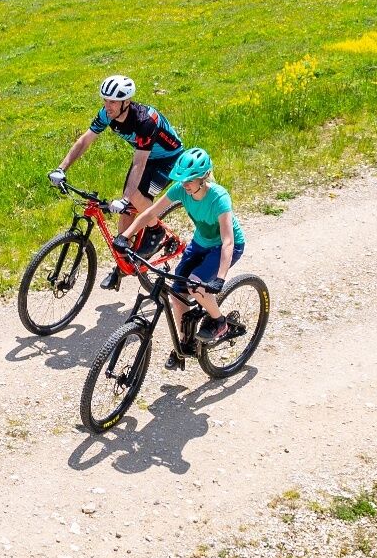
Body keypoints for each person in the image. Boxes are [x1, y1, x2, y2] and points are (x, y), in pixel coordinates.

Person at [49, 74, 181, 286]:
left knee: (132, 197)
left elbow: (139, 163)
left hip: (168, 159)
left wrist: (126, 198)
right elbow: (85, 141)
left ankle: (157, 231)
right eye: (105, 100)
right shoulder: (107, 115)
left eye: (112, 102)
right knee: (126, 209)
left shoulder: (145, 121)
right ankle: (122, 265)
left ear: (126, 102)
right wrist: (61, 168)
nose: (107, 106)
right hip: (145, 156)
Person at [115, 147, 243, 353]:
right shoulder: (181, 190)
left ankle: (219, 321)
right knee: (176, 293)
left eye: (190, 180)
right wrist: (125, 236)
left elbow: (228, 241)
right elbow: (150, 213)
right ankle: (185, 344)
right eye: (182, 179)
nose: (185, 184)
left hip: (227, 246)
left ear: (204, 177)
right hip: (201, 242)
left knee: (195, 284)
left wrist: (220, 278)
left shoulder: (219, 198)